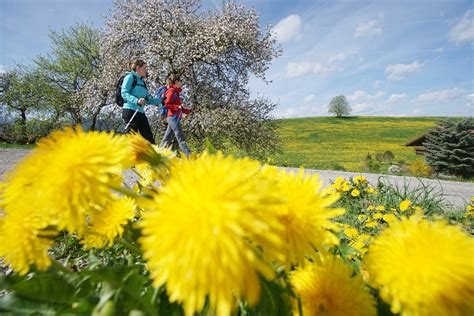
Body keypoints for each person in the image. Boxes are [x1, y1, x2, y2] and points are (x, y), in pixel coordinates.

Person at [121, 59, 161, 144]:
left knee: (149, 138)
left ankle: (153, 156)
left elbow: (147, 100)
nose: (146, 70)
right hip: (130, 111)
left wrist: (161, 100)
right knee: (131, 140)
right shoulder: (130, 77)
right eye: (145, 68)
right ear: (138, 68)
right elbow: (124, 93)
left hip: (140, 112)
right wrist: (136, 101)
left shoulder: (142, 82)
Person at [159, 74, 191, 157]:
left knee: (167, 137)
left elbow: (178, 107)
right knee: (180, 136)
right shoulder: (171, 91)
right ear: (176, 81)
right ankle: (189, 156)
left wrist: (188, 111)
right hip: (172, 117)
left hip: (174, 117)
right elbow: (167, 104)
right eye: (180, 81)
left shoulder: (176, 92)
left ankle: (159, 154)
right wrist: (178, 106)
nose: (181, 83)